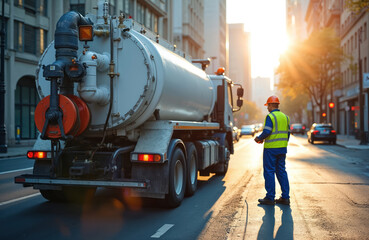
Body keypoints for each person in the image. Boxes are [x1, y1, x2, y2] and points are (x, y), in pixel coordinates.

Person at [254, 95, 290, 205]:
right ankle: (285, 197)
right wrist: (283, 144)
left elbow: (267, 131)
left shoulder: (270, 117)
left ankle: (270, 197)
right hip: (282, 149)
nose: (267, 108)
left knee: (269, 171)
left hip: (271, 150)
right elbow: (288, 133)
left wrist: (259, 138)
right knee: (281, 171)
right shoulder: (285, 117)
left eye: (267, 105)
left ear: (270, 105)